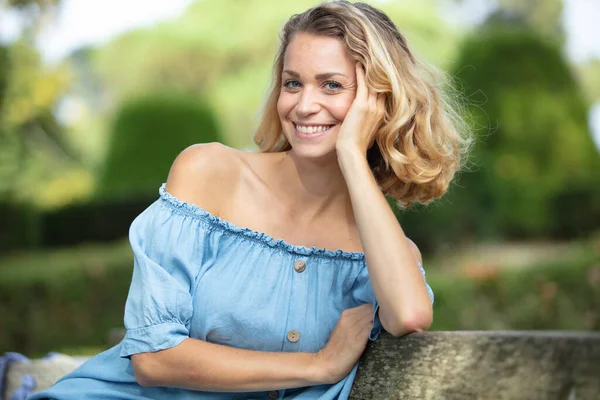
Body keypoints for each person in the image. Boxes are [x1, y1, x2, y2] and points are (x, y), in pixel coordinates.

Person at [29, 1, 469, 399]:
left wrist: (353, 155)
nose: (303, 105)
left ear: (379, 102)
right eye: (293, 83)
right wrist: (316, 365)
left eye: (332, 85)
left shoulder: (383, 252)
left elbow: (410, 316)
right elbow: (153, 357)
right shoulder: (209, 173)